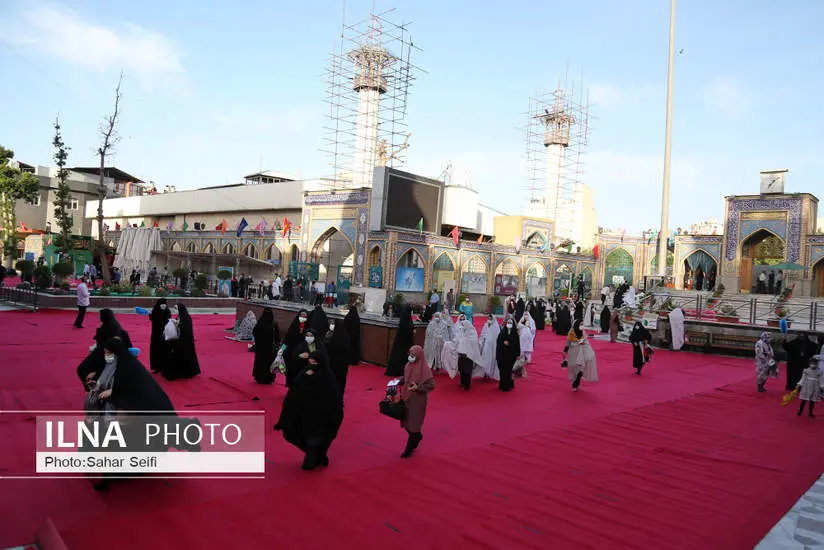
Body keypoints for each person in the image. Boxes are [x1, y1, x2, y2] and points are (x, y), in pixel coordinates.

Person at [274, 351, 343, 470]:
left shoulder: (328, 379)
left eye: (315, 361)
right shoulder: (305, 373)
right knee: (290, 434)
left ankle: (315, 454)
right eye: (310, 360)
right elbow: (294, 391)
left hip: (319, 419)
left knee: (313, 444)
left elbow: (332, 401)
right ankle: (316, 454)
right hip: (302, 414)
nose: (312, 363)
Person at [398, 345, 435, 458]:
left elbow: (431, 385)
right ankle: (417, 437)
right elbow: (406, 377)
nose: (411, 357)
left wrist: (418, 388)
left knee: (414, 424)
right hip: (406, 398)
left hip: (417, 401)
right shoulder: (408, 365)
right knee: (407, 423)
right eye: (410, 355)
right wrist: (399, 381)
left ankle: (409, 449)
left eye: (413, 355)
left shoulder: (424, 370)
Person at [164, 304, 201, 380]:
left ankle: (187, 372)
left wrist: (178, 324)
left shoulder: (186, 318)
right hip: (178, 341)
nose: (175, 310)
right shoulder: (179, 317)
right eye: (174, 308)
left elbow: (186, 330)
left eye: (176, 309)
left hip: (185, 342)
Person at [563, 320, 598, 391]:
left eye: (582, 324)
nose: (582, 326)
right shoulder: (571, 332)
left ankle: (576, 382)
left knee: (580, 367)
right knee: (573, 367)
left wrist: (589, 351)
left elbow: (585, 341)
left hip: (581, 352)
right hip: (572, 352)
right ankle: (574, 381)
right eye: (581, 324)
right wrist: (565, 352)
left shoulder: (583, 332)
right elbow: (568, 343)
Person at [252, 308, 280, 385]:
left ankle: (259, 377)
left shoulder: (260, 323)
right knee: (269, 363)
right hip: (270, 349)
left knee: (260, 362)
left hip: (260, 348)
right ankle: (268, 378)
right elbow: (277, 338)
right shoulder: (273, 324)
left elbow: (254, 333)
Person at [386, 306, 414, 377]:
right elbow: (410, 331)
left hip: (399, 343)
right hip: (407, 344)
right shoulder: (408, 320)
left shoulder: (402, 320)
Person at [325, 319, 350, 396]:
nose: (331, 325)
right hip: (333, 363)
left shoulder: (341, 337)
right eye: (331, 323)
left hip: (338, 363)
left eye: (333, 324)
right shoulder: (329, 334)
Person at [496, 316, 521, 391]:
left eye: (510, 323)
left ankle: (507, 386)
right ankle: (502, 385)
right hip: (502, 355)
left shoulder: (515, 334)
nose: (509, 324)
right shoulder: (503, 332)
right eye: (508, 323)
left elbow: (517, 344)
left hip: (511, 356)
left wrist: (518, 354)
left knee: (509, 371)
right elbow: (498, 341)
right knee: (502, 371)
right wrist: (503, 342)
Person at [149, 298, 172, 374]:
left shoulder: (167, 311)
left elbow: (168, 319)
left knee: (165, 351)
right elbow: (154, 319)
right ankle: (157, 367)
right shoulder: (155, 311)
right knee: (156, 351)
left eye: (165, 304)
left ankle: (165, 367)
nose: (164, 305)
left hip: (165, 334)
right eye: (162, 304)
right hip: (156, 335)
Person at [479, 315, 500, 380]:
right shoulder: (486, 325)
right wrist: (481, 341)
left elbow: (497, 337)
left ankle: (490, 374)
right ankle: (484, 373)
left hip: (493, 347)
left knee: (492, 360)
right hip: (486, 345)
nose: (489, 320)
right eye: (489, 318)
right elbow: (483, 333)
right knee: (485, 358)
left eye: (491, 319)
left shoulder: (496, 327)